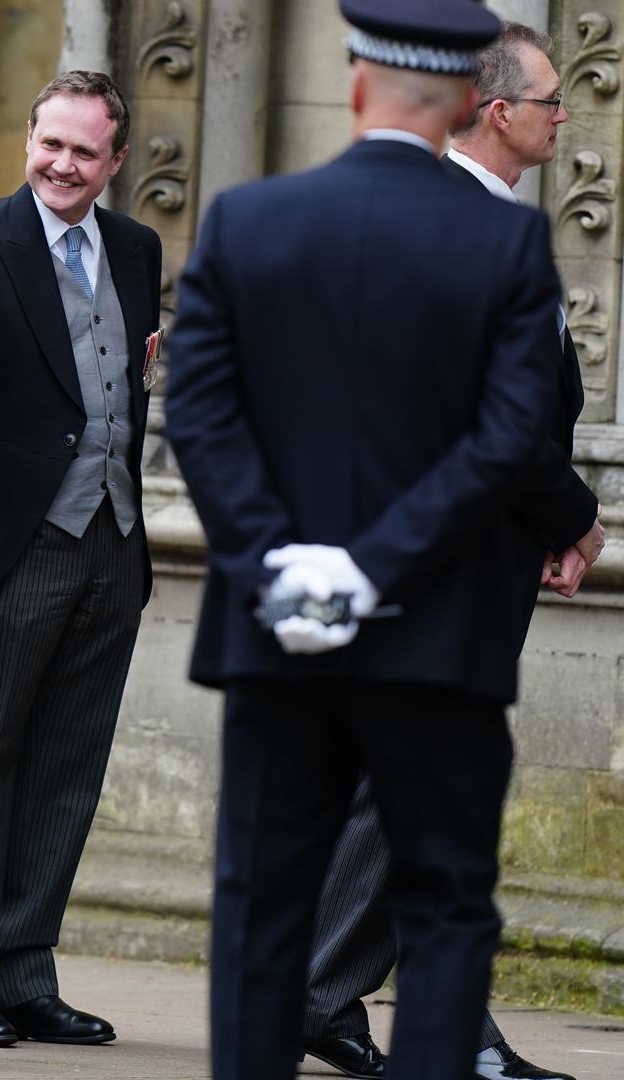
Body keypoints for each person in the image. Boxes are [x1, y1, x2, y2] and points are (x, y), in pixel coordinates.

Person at [164, 0, 567, 1076]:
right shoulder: (508, 239)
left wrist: (279, 564)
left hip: (275, 634)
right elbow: (511, 435)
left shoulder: (250, 220)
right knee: (441, 908)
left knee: (260, 907)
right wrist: (373, 567)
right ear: (456, 108)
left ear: (356, 80)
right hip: (436, 637)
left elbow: (200, 412)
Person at [301, 23, 600, 1080]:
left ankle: (323, 995)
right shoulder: (460, 225)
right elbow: (498, 419)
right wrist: (571, 514)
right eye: (551, 100)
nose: (566, 116)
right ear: (494, 109)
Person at [0, 70, 159, 1049]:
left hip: (113, 545)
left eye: (84, 152)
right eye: (48, 144)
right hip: (7, 549)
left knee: (66, 766)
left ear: (116, 162)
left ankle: (23, 967)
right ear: (29, 140)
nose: (62, 164)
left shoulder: (138, 248)